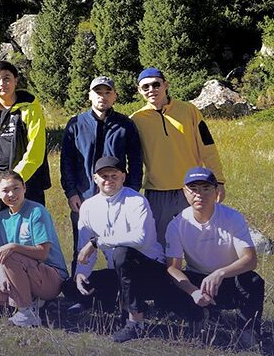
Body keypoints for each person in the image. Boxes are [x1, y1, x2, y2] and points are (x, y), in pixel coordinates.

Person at [67, 157, 166, 343]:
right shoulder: (88, 206)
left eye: (114, 176)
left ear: (123, 177)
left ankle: (135, 322)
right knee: (72, 286)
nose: (109, 180)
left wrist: (98, 242)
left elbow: (141, 239)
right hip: (119, 273)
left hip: (150, 270)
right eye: (104, 176)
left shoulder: (136, 200)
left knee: (123, 252)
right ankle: (113, 303)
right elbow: (85, 249)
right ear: (95, 178)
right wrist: (80, 273)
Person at [164, 167, 263, 349]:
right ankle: (197, 318)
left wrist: (220, 273)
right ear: (184, 192)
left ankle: (247, 330)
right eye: (193, 189)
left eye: (205, 188)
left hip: (227, 279)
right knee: (167, 284)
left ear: (217, 191)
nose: (199, 194)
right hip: (198, 282)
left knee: (254, 281)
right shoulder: (176, 224)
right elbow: (173, 267)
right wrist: (193, 291)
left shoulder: (232, 218)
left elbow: (250, 259)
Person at [130, 67, 226, 246]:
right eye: (145, 87)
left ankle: (197, 275)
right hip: (157, 193)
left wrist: (218, 180)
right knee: (159, 243)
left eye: (156, 84)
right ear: (139, 90)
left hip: (192, 189)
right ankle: (166, 275)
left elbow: (208, 146)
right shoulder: (136, 120)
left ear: (165, 85)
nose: (152, 90)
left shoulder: (189, 110)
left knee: (199, 240)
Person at [59, 76, 143, 274]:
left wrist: (130, 193)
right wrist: (71, 192)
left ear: (115, 96)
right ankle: (81, 297)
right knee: (81, 251)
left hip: (117, 198)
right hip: (84, 198)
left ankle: (122, 296)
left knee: (119, 251)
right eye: (98, 92)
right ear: (90, 95)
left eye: (108, 93)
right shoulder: (76, 124)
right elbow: (66, 162)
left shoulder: (125, 125)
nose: (102, 97)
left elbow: (136, 161)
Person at [0, 171, 68, 328]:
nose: (11, 194)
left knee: (11, 253)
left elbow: (42, 252)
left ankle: (27, 313)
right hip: (21, 270)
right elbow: (0, 254)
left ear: (24, 188)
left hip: (51, 276)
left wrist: (13, 246)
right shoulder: (2, 217)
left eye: (16, 188)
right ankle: (34, 302)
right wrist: (3, 277)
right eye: (5, 190)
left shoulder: (37, 212)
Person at [0, 60, 50, 220]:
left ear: (16, 80)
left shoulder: (30, 108)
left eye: (6, 78)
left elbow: (36, 149)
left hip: (25, 182)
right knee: (2, 232)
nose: (2, 83)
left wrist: (16, 181)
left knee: (30, 228)